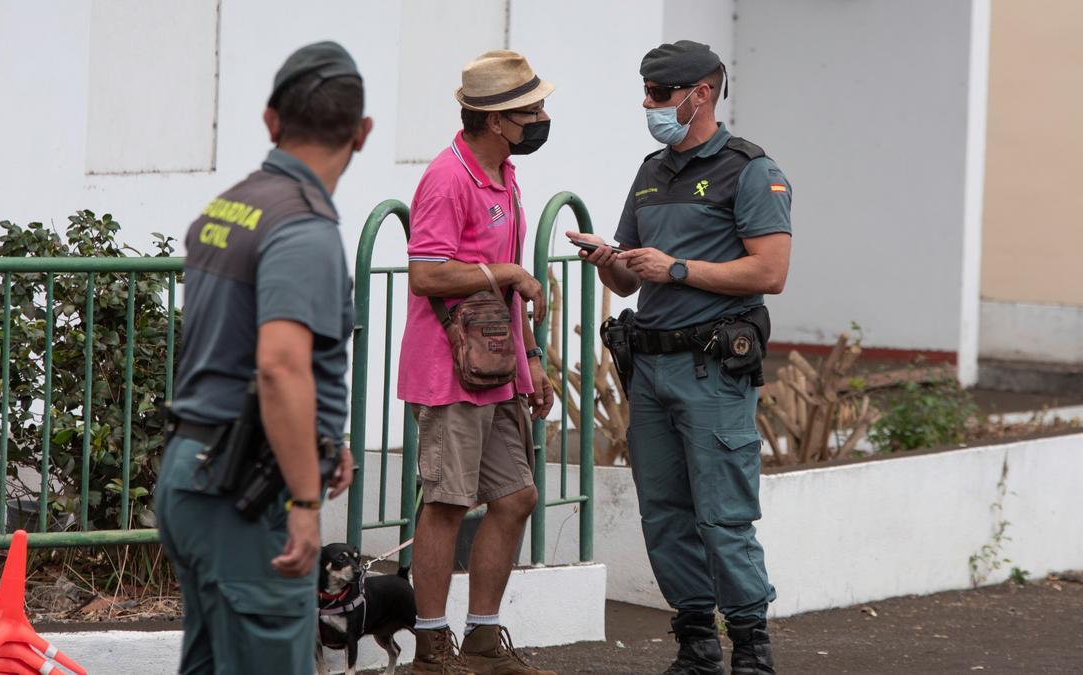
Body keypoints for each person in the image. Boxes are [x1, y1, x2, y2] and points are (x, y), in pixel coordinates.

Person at [570, 40, 792, 675]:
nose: (648, 104)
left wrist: (678, 268)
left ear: (700, 95)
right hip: (653, 367)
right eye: (645, 91)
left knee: (723, 516)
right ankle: (697, 648)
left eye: (660, 94)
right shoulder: (650, 171)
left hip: (712, 369)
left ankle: (751, 652)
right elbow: (629, 283)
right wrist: (610, 259)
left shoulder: (750, 169)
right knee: (663, 512)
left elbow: (770, 271)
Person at [154, 41, 368, 674]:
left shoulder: (233, 205)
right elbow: (278, 366)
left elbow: (241, 348)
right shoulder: (303, 229)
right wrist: (306, 501)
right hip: (243, 492)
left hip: (198, 472)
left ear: (272, 120)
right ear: (362, 133)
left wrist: (325, 440)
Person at [397, 49, 557, 675]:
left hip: (496, 368)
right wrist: (506, 270)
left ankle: (484, 636)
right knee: (447, 503)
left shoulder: (505, 176)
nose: (541, 118)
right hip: (448, 370)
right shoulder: (447, 176)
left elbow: (507, 295)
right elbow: (425, 274)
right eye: (531, 110)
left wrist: (533, 361)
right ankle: (433, 647)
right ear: (497, 120)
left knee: (516, 497)